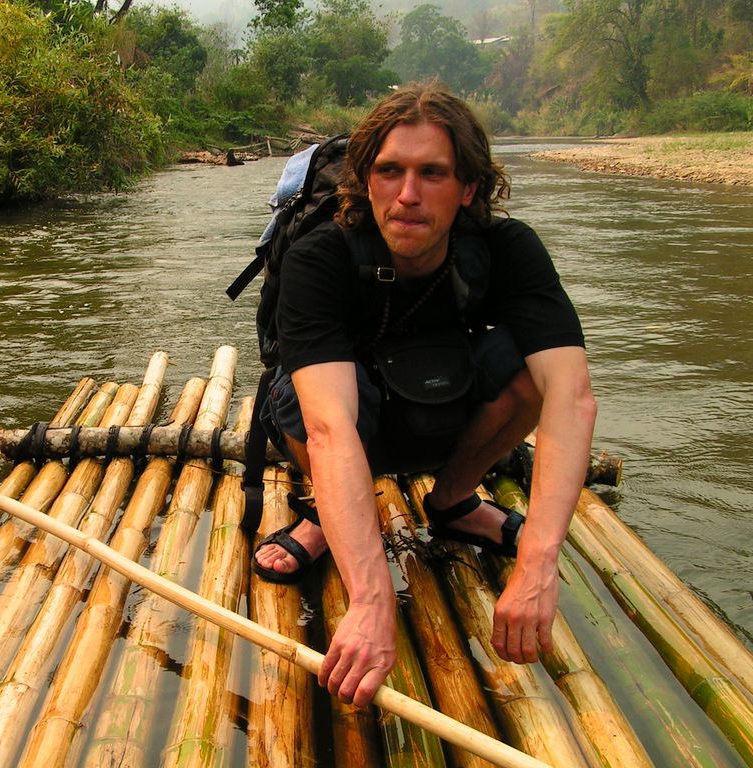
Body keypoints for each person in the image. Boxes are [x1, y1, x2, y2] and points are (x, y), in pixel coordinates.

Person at [251, 81, 598, 709]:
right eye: (390, 171)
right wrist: (372, 599)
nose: (408, 195)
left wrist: (540, 561)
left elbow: (571, 396)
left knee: (530, 369)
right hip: (341, 425)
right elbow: (328, 426)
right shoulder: (320, 257)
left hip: (447, 410)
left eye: (432, 173)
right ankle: (330, 519)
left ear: (468, 189)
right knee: (309, 398)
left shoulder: (507, 249)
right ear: (366, 181)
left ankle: (454, 500)